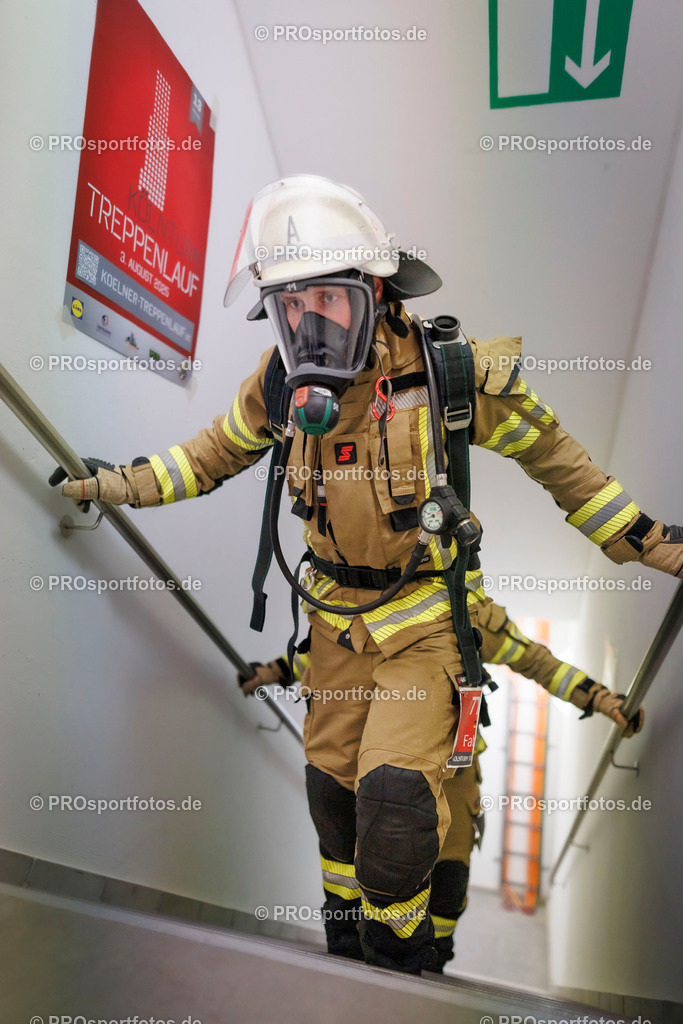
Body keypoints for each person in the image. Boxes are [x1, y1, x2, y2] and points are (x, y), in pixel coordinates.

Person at [57, 175, 681, 974]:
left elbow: (557, 460)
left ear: (376, 291)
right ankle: (342, 942)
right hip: (330, 622)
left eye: (331, 300)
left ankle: (401, 957)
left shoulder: (448, 376)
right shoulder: (277, 385)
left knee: (395, 803)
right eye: (291, 306)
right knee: (333, 801)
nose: (311, 324)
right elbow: (207, 457)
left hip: (422, 624)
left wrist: (646, 540)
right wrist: (116, 485)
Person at [238, 600, 644, 971]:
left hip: (452, 767)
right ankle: (346, 949)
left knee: (447, 880)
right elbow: (324, 653)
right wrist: (271, 672)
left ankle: (430, 966)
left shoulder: (470, 614)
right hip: (382, 759)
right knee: (349, 855)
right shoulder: (364, 595)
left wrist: (602, 699)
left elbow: (539, 662)